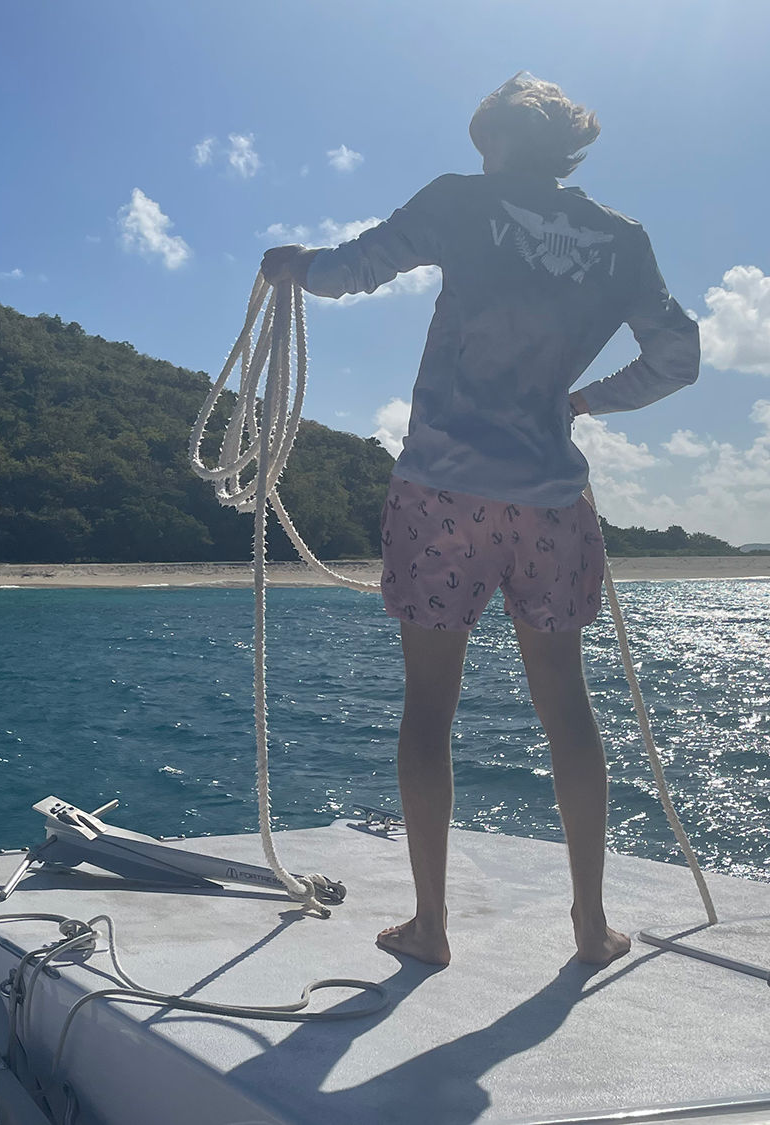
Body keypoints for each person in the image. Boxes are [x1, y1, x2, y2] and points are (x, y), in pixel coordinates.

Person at [261, 73, 699, 966]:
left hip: (442, 493)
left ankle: (431, 926)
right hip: (551, 503)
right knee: (567, 707)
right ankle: (589, 924)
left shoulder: (462, 202)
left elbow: (351, 270)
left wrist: (292, 264)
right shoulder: (622, 240)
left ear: (493, 139)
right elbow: (679, 357)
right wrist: (585, 399)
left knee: (430, 709)